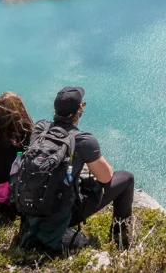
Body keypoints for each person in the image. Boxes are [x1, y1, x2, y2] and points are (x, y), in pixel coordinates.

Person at [19, 86, 135, 251]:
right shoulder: (83, 140)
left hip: (31, 206)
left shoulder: (40, 128)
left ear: (55, 109)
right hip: (62, 214)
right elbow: (106, 178)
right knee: (126, 178)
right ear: (80, 108)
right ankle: (119, 236)